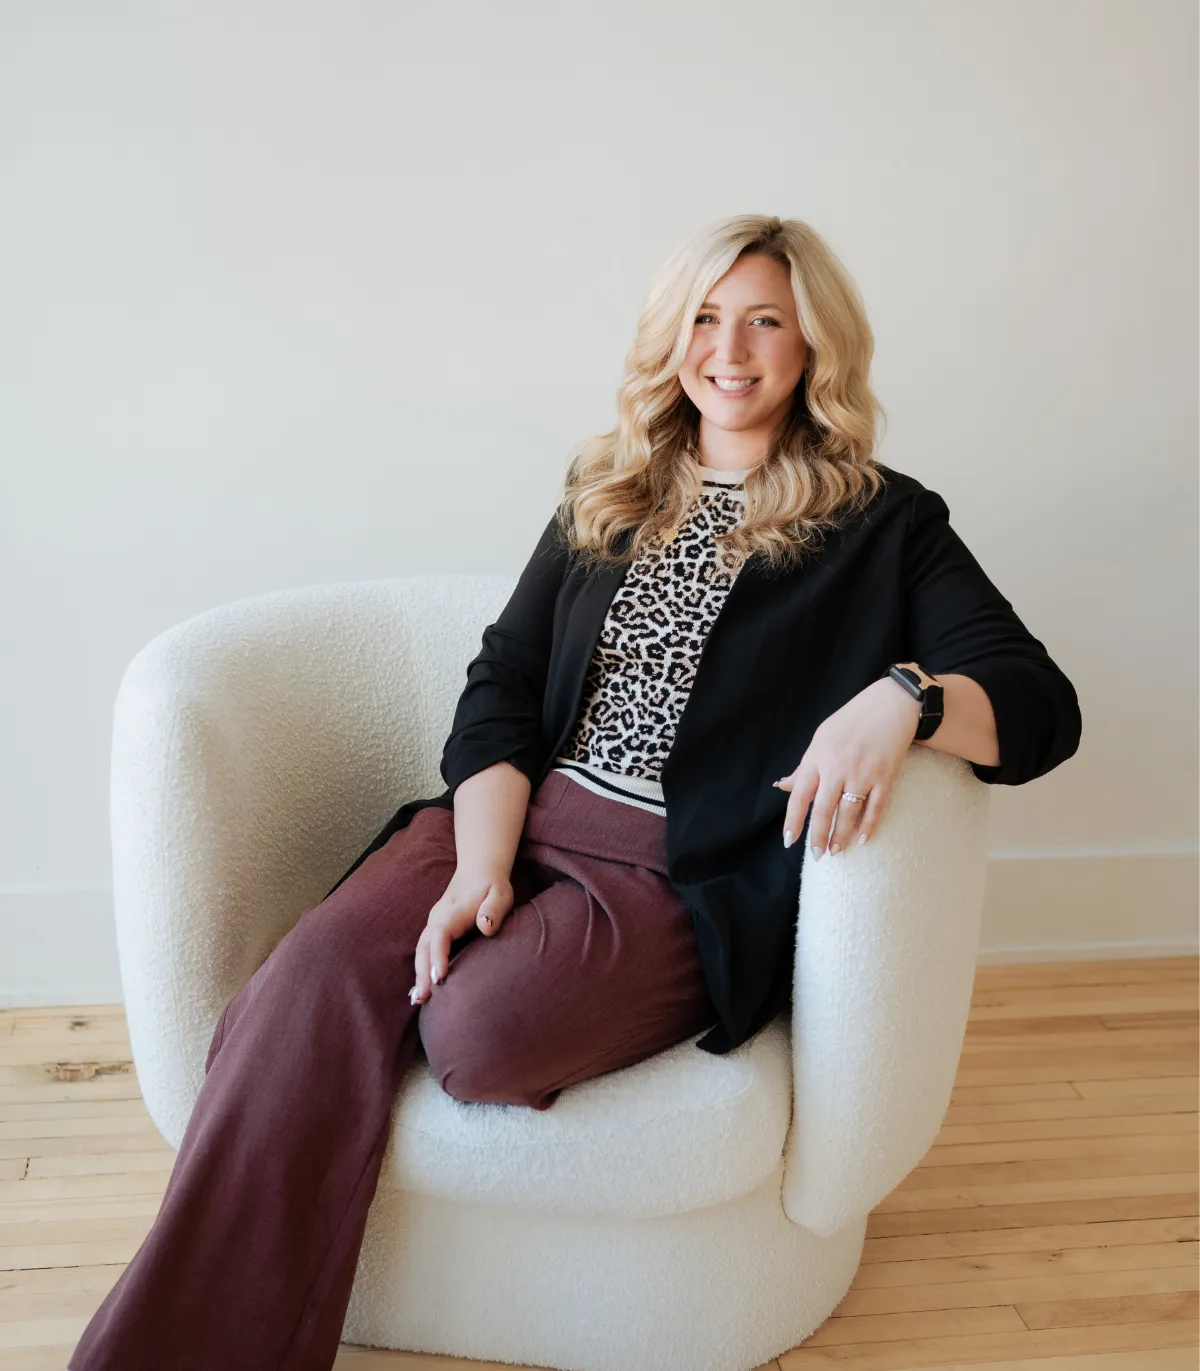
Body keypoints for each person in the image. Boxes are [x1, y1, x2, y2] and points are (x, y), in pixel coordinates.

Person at [68, 213, 1082, 1370]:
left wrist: (904, 696)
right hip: (515, 815)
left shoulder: (885, 522)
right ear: (671, 338)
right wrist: (480, 864)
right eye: (705, 318)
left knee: (477, 1035)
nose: (731, 350)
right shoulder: (611, 488)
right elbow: (499, 685)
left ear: (814, 346)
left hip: (678, 868)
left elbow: (1039, 700)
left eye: (765, 321)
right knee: (294, 990)